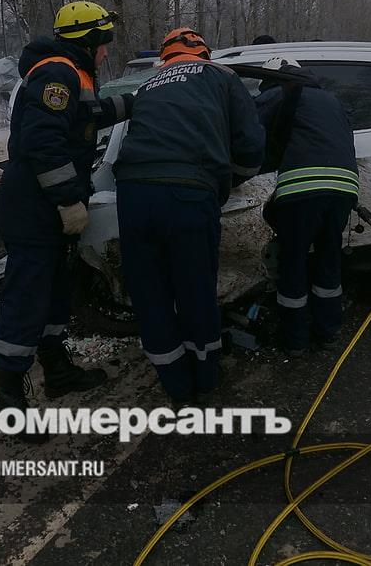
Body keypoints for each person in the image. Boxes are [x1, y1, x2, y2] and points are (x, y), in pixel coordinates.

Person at [0, 0, 132, 442]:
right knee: (26, 299)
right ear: (87, 41)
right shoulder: (57, 73)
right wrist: (69, 200)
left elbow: (90, 117)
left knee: (54, 296)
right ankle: (7, 402)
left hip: (48, 208)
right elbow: (42, 143)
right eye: (104, 42)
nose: (107, 51)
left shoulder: (75, 75)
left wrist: (136, 102)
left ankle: (56, 370)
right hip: (35, 209)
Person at [113, 28, 264, 403]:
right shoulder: (221, 75)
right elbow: (250, 143)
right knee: (195, 290)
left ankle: (176, 386)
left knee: (149, 293)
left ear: (165, 57)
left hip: (132, 193)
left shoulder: (148, 85)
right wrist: (229, 179)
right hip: (188, 193)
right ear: (204, 53)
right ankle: (206, 378)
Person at [255, 57, 358, 358]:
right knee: (329, 258)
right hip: (344, 187)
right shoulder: (331, 99)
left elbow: (252, 134)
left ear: (271, 79)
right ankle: (328, 333)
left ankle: (295, 340)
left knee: (293, 262)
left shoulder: (278, 92)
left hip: (302, 188)